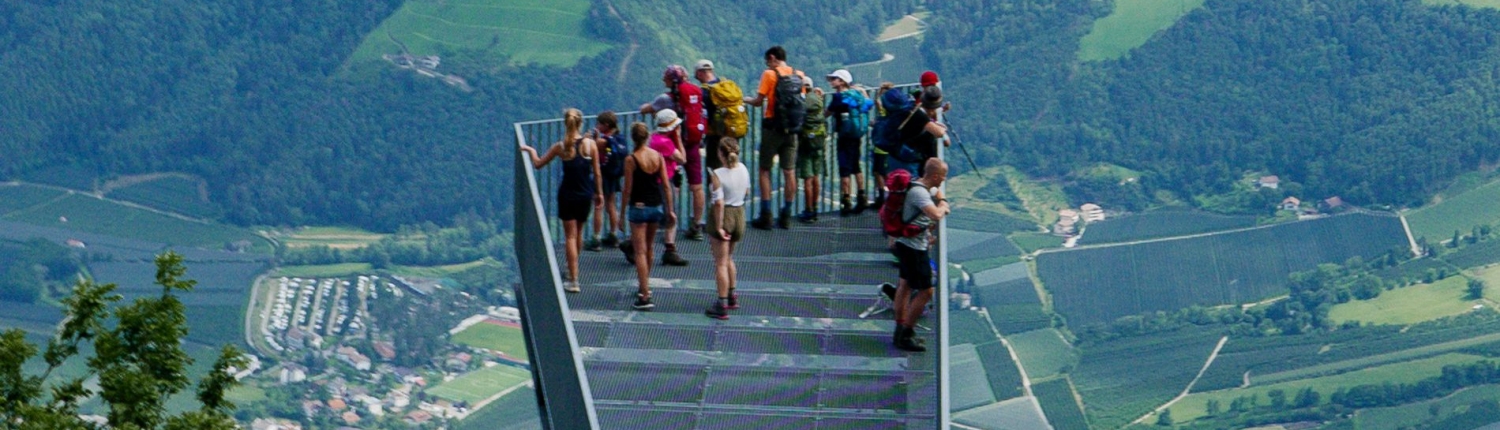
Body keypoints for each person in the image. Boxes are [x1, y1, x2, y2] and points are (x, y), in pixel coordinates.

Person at [519, 109, 602, 294]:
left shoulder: (561, 147)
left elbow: (538, 164)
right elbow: (596, 172)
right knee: (579, 233)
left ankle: (573, 279)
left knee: (570, 237)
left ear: (566, 123)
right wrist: (600, 193)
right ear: (580, 123)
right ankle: (573, 267)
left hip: (567, 195)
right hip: (585, 194)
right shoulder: (590, 145)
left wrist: (531, 150)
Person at [890, 158, 951, 352]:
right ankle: (906, 333)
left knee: (905, 285)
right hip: (914, 249)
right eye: (942, 177)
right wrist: (944, 206)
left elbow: (935, 192)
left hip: (905, 245)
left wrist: (940, 197)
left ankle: (900, 329)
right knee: (926, 291)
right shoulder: (919, 193)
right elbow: (936, 215)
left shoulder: (917, 185)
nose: (943, 180)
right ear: (935, 176)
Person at [744, 46, 807, 230]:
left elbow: (758, 101)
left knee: (764, 169)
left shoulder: (770, 75)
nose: (767, 65)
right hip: (792, 129)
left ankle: (766, 215)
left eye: (767, 61)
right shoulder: (799, 74)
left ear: (772, 58)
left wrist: (745, 99)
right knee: (789, 171)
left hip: (773, 127)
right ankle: (786, 215)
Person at [643, 66, 709, 241]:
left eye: (665, 78)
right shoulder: (695, 92)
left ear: (671, 80)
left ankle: (670, 222)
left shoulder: (665, 98)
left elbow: (645, 109)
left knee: (670, 182)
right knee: (696, 186)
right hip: (693, 144)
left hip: (672, 146)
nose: (663, 81)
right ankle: (697, 225)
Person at [621, 123, 676, 310]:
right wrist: (670, 210)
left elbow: (627, 189)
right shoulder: (658, 157)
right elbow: (666, 186)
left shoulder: (631, 160)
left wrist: (621, 214)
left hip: (638, 207)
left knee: (639, 251)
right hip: (656, 205)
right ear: (647, 137)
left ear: (633, 138)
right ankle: (645, 285)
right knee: (650, 247)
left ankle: (644, 295)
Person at [704, 137, 750, 320]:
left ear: (720, 154)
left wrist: (719, 225)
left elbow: (719, 203)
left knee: (720, 262)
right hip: (739, 214)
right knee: (729, 258)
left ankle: (721, 303)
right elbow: (746, 191)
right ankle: (732, 295)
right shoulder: (744, 169)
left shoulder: (717, 175)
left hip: (725, 216)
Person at [826, 69, 871, 216]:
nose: (832, 81)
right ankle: (862, 195)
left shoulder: (839, 97)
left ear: (842, 81)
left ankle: (846, 201)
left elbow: (827, 113)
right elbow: (867, 105)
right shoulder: (856, 95)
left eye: (835, 79)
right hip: (856, 135)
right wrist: (863, 92)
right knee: (856, 165)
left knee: (844, 167)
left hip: (844, 136)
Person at [648, 109, 690, 266]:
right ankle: (669, 250)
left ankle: (634, 243)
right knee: (671, 216)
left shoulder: (654, 138)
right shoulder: (665, 143)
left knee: (658, 213)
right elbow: (682, 159)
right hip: (665, 181)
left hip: (654, 181)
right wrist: (678, 138)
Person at [588, 111, 627, 251]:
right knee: (611, 203)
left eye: (599, 123)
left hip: (603, 175)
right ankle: (613, 234)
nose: (597, 126)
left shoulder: (602, 141)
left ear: (606, 125)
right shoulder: (619, 137)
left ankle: (596, 238)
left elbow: (590, 151)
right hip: (614, 175)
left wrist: (590, 139)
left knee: (598, 204)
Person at [796, 82, 827, 223]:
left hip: (806, 143)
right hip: (819, 142)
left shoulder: (802, 101)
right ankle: (815, 207)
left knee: (807, 179)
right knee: (816, 176)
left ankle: (808, 210)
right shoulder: (819, 100)